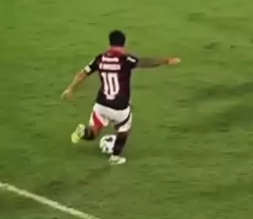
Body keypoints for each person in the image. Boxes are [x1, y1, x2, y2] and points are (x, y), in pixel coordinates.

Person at [61, 30, 180, 165]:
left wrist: (70, 88)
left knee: (93, 132)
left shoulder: (100, 58)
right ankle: (115, 157)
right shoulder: (125, 59)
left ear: (110, 43)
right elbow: (146, 62)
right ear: (124, 44)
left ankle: (83, 132)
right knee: (124, 130)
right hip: (119, 107)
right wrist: (166, 61)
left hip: (101, 105)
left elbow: (82, 74)